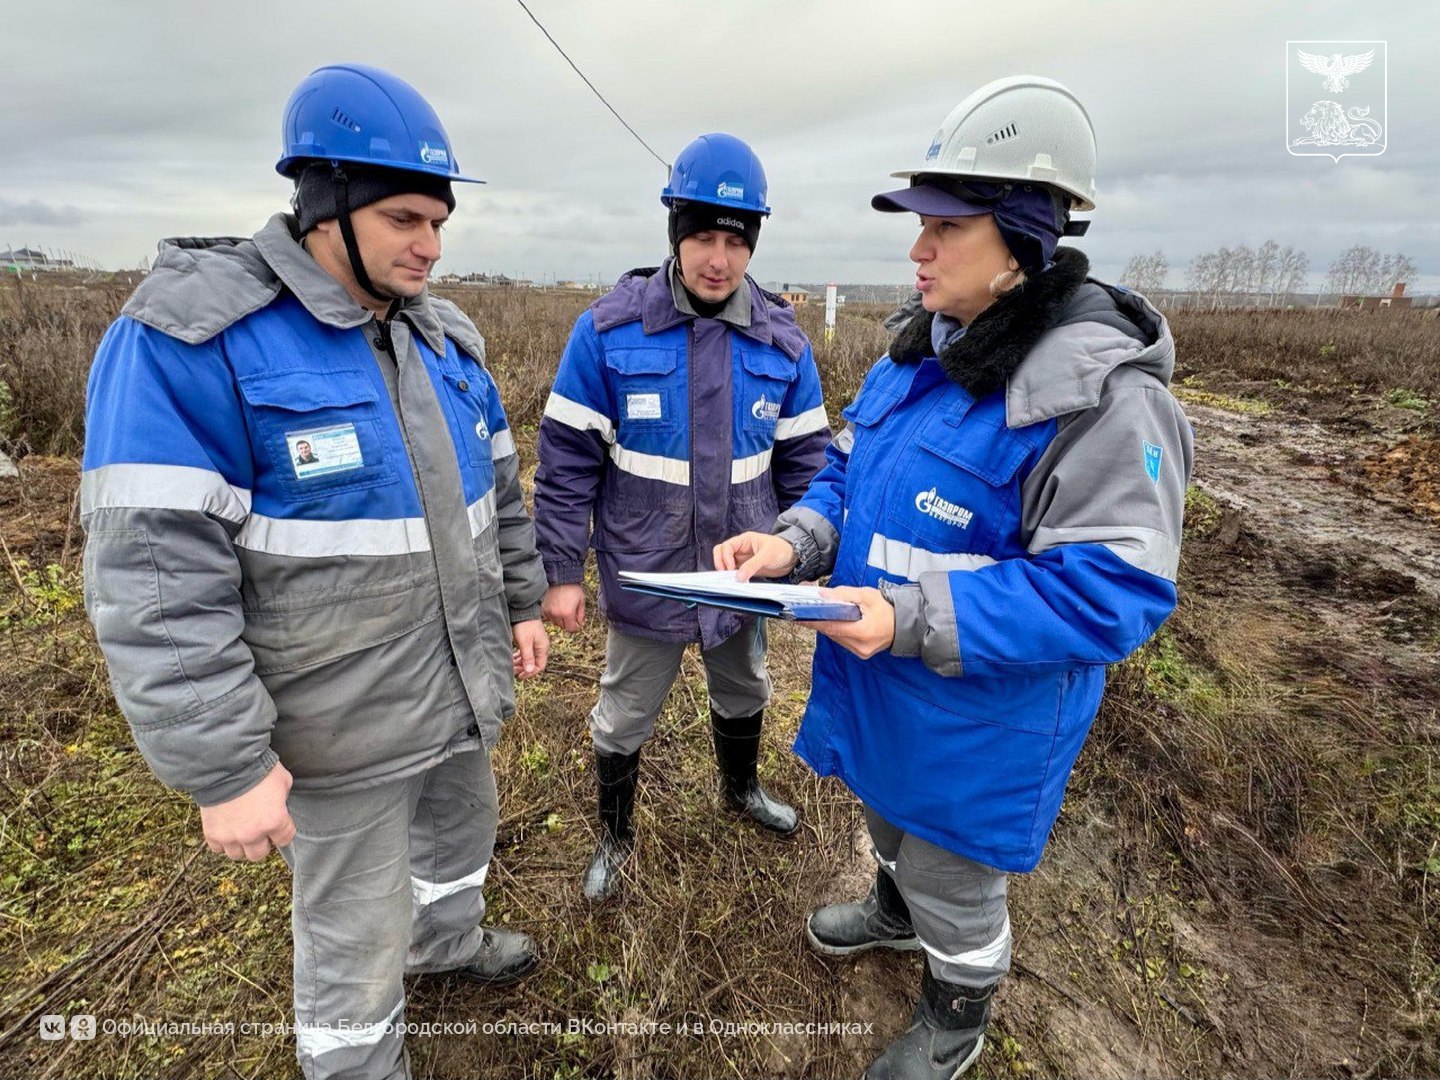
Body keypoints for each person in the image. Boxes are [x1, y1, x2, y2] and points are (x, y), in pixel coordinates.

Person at [716, 76, 1193, 1079]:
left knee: (957, 878)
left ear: (1020, 237)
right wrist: (793, 542)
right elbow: (849, 471)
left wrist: (910, 615)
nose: (916, 250)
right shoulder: (918, 356)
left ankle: (958, 1005)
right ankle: (896, 908)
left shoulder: (1101, 402)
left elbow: (1110, 591)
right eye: (917, 225)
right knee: (892, 823)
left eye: (945, 227)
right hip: (887, 685)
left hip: (981, 722)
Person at [80, 63, 549, 1080]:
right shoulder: (195, 340)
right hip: (333, 732)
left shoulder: (442, 336)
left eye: (440, 222)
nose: (429, 246)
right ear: (325, 206)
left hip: (455, 687)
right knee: (351, 943)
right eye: (405, 220)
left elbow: (498, 497)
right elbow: (155, 580)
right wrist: (225, 768)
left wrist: (519, 601)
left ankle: (447, 943)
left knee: (461, 837)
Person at [533, 133, 831, 900]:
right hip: (648, 572)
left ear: (752, 243)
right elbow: (565, 466)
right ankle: (616, 834)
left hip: (743, 578)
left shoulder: (784, 343)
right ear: (675, 233)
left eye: (735, 240)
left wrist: (797, 555)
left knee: (748, 688)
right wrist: (561, 572)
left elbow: (810, 469)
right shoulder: (606, 332)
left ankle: (740, 791)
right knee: (624, 710)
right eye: (701, 235)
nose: (717, 258)